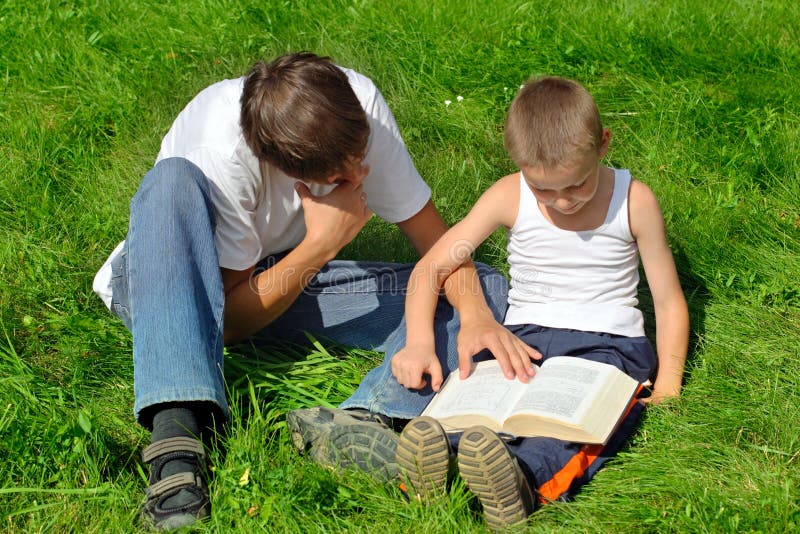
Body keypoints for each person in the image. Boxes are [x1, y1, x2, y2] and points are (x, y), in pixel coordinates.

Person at [92, 52, 523, 530]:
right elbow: (227, 323)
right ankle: (176, 437)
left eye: (360, 159)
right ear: (283, 168)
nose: (360, 178)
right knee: (169, 181)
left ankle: (367, 422)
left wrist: (476, 313)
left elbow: (438, 243)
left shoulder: (358, 106)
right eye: (340, 179)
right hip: (172, 285)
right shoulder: (217, 154)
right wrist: (322, 244)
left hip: (277, 275)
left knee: (480, 284)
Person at [390, 76, 689, 530]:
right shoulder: (509, 194)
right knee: (478, 410)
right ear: (519, 164)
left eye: (577, 185)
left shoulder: (634, 201)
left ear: (604, 144)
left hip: (609, 345)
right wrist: (417, 341)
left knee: (576, 424)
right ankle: (437, 466)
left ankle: (524, 480)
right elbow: (431, 266)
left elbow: (667, 302)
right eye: (544, 190)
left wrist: (668, 384)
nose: (562, 201)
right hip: (521, 339)